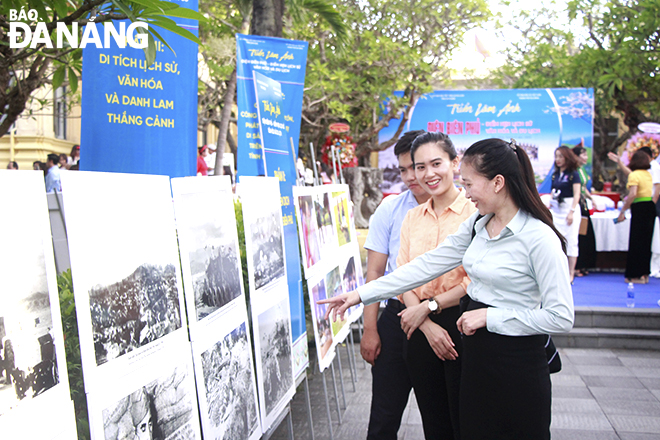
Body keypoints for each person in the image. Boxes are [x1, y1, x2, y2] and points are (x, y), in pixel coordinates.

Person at [321, 138, 574, 440]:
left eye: (470, 183)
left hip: (516, 361)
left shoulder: (538, 238)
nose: (466, 192)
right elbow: (424, 266)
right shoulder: (479, 224)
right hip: (477, 354)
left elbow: (561, 316)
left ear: (497, 183)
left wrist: (489, 318)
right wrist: (360, 295)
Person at [396, 132, 476, 440]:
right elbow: (403, 275)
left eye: (436, 163)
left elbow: (475, 280)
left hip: (462, 321)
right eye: (419, 167)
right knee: (434, 421)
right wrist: (426, 323)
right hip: (417, 324)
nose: (428, 174)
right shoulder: (413, 217)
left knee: (465, 420)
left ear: (455, 163)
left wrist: (431, 308)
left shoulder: (476, 211)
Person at [361, 129, 429, 440]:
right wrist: (371, 328)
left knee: (444, 417)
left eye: (416, 166)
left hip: (441, 317)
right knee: (384, 417)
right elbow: (375, 273)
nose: (410, 176)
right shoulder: (390, 209)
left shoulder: (466, 210)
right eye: (402, 169)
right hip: (395, 318)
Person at [616, 149, 656, 283]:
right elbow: (631, 174)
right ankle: (644, 273)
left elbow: (632, 194)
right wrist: (619, 163)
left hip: (639, 207)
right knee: (646, 242)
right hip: (649, 206)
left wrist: (623, 210)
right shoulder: (647, 174)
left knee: (636, 242)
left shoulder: (635, 175)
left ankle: (634, 275)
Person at [550, 146, 581, 282]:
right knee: (556, 240)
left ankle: (571, 273)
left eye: (561, 156)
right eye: (556, 156)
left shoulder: (574, 174)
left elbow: (577, 194)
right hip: (557, 208)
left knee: (571, 241)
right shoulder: (555, 174)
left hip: (569, 208)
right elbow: (553, 191)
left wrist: (572, 211)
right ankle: (558, 271)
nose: (558, 160)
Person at [572, 145, 597, 276]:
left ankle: (585, 264)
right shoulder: (573, 171)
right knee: (580, 234)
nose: (586, 157)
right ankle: (577, 266)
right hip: (578, 204)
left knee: (586, 233)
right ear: (576, 157)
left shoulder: (582, 170)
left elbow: (583, 188)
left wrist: (592, 198)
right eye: (583, 155)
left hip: (584, 202)